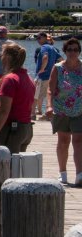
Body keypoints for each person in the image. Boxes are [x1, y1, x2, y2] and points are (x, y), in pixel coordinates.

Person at [46, 37, 82, 185]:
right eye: (69, 50)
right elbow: (50, 89)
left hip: (80, 110)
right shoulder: (58, 68)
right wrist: (49, 106)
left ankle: (80, 174)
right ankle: (63, 172)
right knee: (63, 141)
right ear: (65, 51)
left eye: (75, 50)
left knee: (79, 141)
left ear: (79, 51)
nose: (72, 52)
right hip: (61, 109)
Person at [0, 43, 35, 153]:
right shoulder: (28, 78)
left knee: (7, 166)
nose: (1, 58)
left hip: (12, 129)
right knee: (17, 166)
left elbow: (4, 111)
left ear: (8, 57)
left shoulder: (10, 79)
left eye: (2, 55)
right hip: (26, 128)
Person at [33, 31, 60, 119]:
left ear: (44, 38)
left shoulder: (44, 47)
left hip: (43, 76)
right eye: (36, 38)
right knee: (47, 94)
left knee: (37, 95)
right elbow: (60, 59)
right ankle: (44, 112)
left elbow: (45, 57)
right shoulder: (53, 48)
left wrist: (42, 69)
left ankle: (36, 113)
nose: (37, 40)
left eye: (39, 38)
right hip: (50, 75)